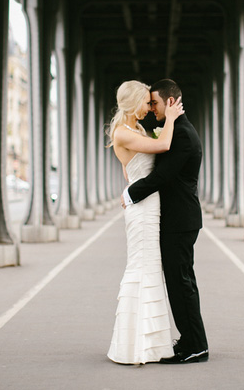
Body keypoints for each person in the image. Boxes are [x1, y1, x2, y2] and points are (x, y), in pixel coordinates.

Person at [123, 79, 209, 364]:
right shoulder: (180, 130)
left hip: (179, 220)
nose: (152, 110)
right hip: (178, 219)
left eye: (155, 103)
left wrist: (131, 192)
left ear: (170, 103)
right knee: (181, 282)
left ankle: (195, 345)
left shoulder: (182, 134)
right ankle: (191, 341)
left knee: (180, 283)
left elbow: (164, 176)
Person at [106, 80, 184, 365]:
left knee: (150, 265)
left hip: (148, 204)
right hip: (142, 209)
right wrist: (172, 118)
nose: (150, 108)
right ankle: (136, 345)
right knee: (141, 265)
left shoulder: (135, 130)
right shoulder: (123, 133)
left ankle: (147, 343)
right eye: (146, 103)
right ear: (133, 102)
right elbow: (163, 145)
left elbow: (130, 172)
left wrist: (130, 187)